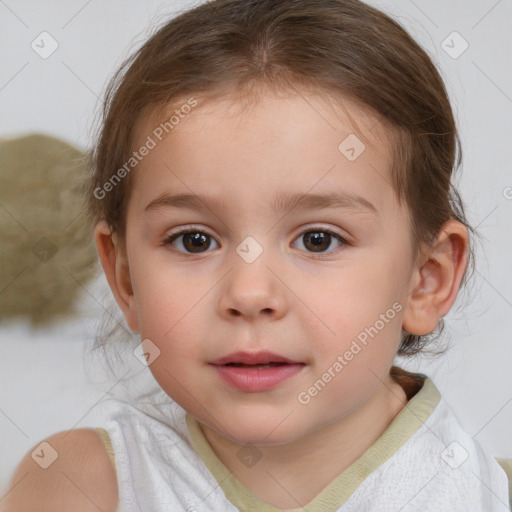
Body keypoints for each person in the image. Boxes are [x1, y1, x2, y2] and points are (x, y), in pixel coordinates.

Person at [3, 0, 510, 510]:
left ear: (425, 279)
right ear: (126, 277)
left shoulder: (485, 492)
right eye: (193, 240)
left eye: (318, 239)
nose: (249, 294)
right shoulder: (80, 486)